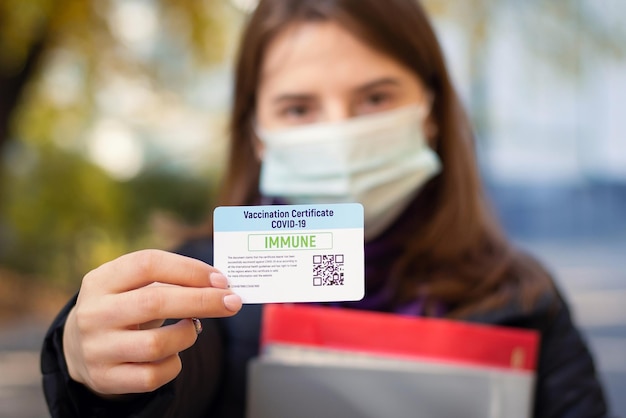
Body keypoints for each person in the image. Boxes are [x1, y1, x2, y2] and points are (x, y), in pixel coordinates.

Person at [41, 0, 609, 416]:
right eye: (298, 108)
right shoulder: (205, 290)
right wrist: (88, 365)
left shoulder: (523, 297)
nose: (339, 132)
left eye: (376, 97)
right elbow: (160, 394)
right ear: (257, 133)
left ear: (432, 113)